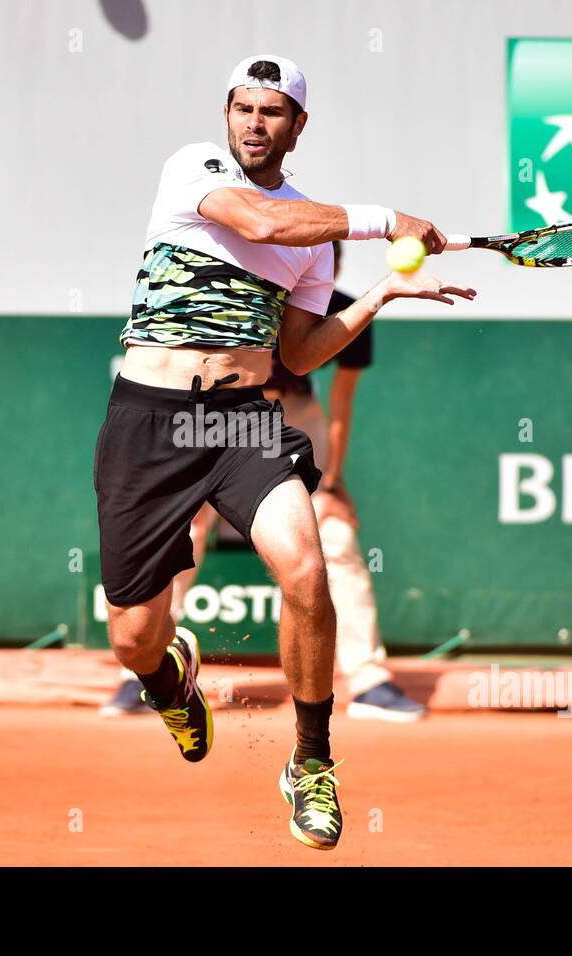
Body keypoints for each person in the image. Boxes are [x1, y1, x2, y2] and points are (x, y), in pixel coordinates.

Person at [93, 53, 475, 850]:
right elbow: (263, 224)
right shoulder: (197, 171)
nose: (254, 124)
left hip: (242, 421)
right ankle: (170, 678)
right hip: (149, 421)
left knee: (306, 568)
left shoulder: (315, 237)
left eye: (271, 112)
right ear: (226, 116)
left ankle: (311, 761)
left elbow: (298, 353)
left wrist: (380, 293)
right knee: (132, 638)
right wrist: (388, 219)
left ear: (298, 125)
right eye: (243, 108)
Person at [102, 240, 426, 722]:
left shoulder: (345, 310)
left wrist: (332, 483)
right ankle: (148, 671)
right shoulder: (240, 294)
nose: (313, 270)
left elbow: (341, 404)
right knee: (185, 529)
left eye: (324, 261)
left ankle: (369, 680)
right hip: (214, 413)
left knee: (334, 535)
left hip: (289, 418)